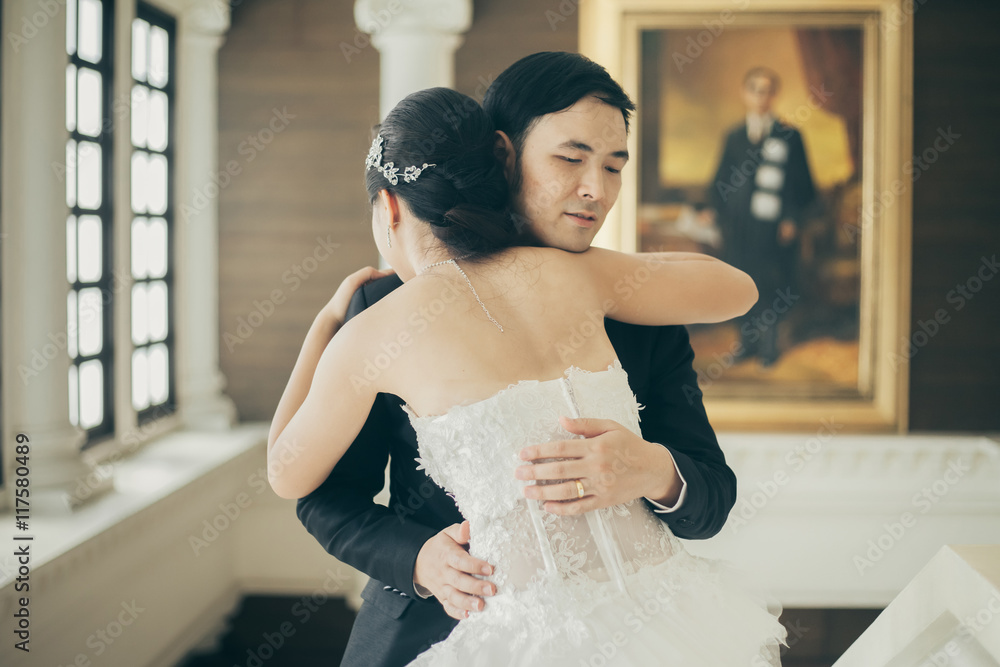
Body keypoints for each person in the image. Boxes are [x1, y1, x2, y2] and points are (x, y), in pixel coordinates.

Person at [270, 80, 786, 664]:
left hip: (604, 619)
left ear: (388, 207)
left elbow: (284, 472)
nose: (594, 190)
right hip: (607, 624)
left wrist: (653, 469)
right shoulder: (595, 281)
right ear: (505, 162)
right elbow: (325, 498)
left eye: (614, 167)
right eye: (570, 159)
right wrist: (418, 557)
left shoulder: (371, 332)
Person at [707, 66, 817, 367]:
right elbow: (719, 180)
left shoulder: (790, 136)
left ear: (774, 95)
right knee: (740, 281)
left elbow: (803, 184)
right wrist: (713, 211)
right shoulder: (734, 136)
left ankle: (770, 345)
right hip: (740, 227)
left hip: (773, 229)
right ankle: (747, 343)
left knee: (771, 282)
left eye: (766, 90)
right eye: (755, 89)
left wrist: (791, 218)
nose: (760, 96)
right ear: (745, 94)